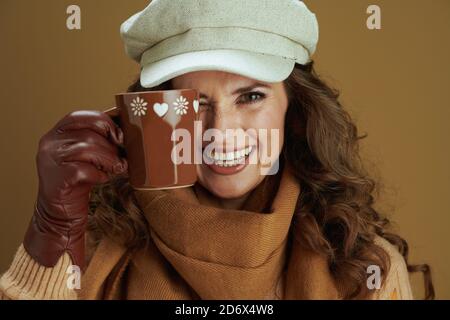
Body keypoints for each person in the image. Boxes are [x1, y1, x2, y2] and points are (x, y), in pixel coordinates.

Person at [0, 0, 433, 300]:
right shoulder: (88, 247)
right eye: (196, 104)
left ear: (294, 109)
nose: (220, 132)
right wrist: (52, 226)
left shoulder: (363, 264)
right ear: (152, 113)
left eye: (251, 97)